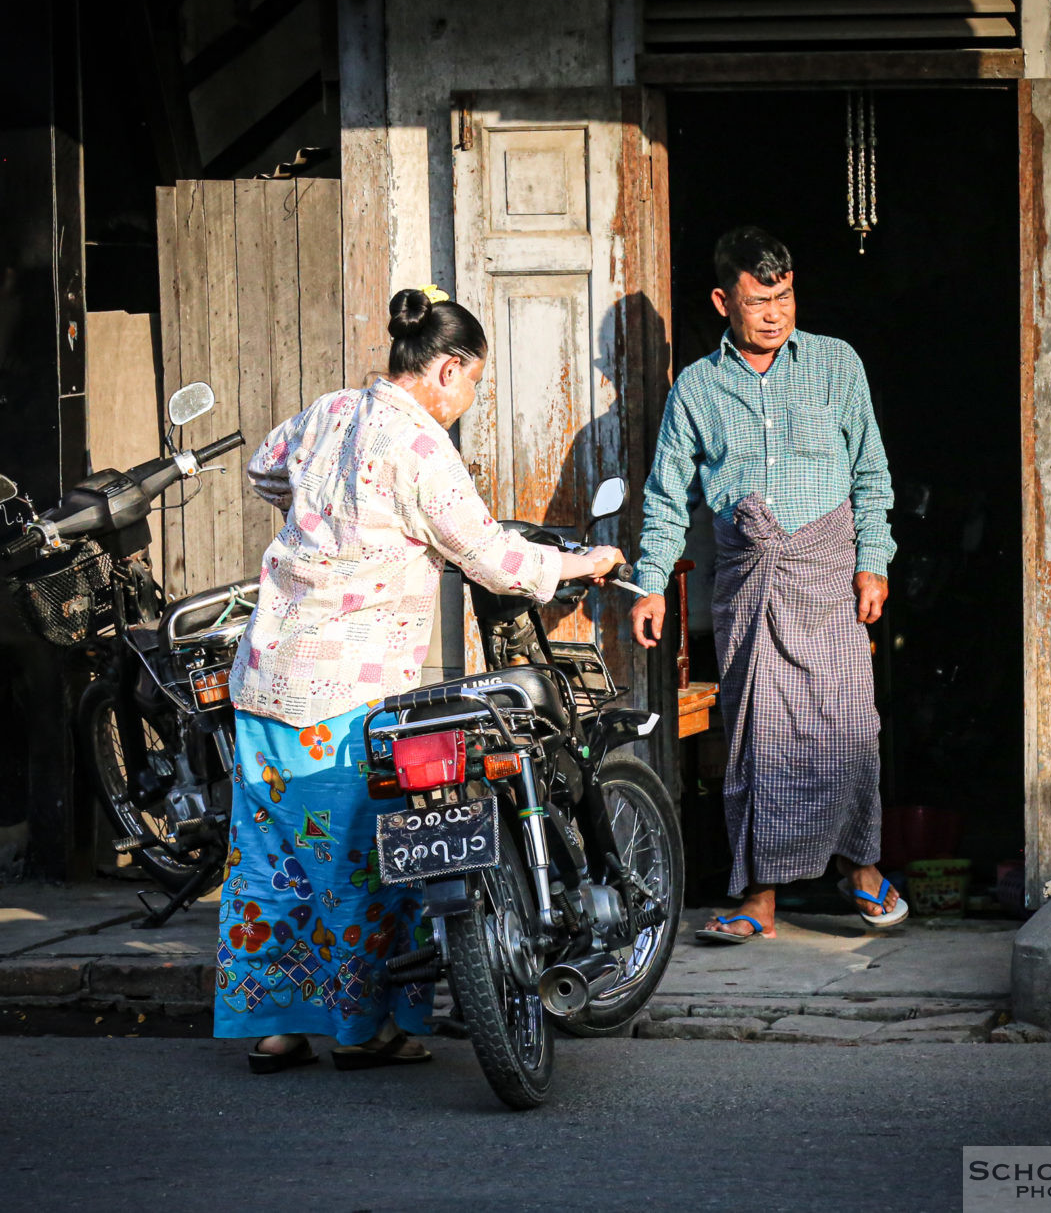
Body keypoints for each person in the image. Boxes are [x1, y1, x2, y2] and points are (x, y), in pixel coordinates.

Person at [216, 287, 624, 1072]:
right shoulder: (420, 448)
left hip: (268, 676)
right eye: (471, 384)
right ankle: (366, 1030)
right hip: (351, 691)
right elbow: (494, 559)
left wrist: (323, 521)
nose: (468, 401)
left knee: (274, 862)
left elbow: (268, 472)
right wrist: (584, 561)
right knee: (362, 863)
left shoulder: (329, 411)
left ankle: (277, 1028)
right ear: (447, 368)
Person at [630, 227, 906, 942]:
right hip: (750, 579)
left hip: (830, 575)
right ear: (725, 301)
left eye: (783, 296)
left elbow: (871, 472)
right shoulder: (697, 386)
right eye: (759, 301)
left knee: (850, 725)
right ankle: (760, 895)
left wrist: (873, 559)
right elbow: (666, 496)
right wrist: (652, 581)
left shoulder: (836, 365)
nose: (775, 313)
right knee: (759, 736)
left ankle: (862, 867)